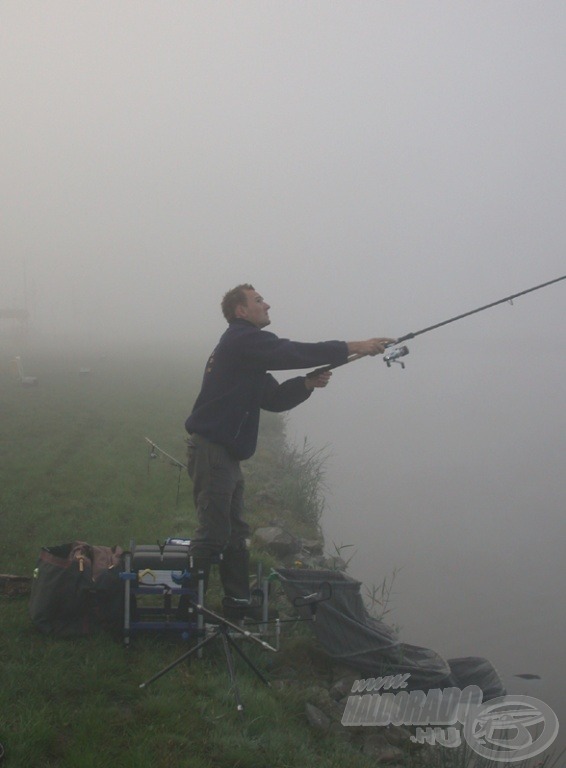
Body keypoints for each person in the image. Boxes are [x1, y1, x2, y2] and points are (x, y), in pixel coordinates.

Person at [185, 283, 393, 618]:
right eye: (258, 300)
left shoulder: (249, 353)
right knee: (213, 534)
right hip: (213, 452)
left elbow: (274, 399)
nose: (267, 304)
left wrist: (307, 384)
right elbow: (292, 352)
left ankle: (237, 604)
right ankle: (186, 610)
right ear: (240, 311)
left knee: (236, 534)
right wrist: (356, 346)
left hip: (227, 456)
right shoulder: (242, 339)